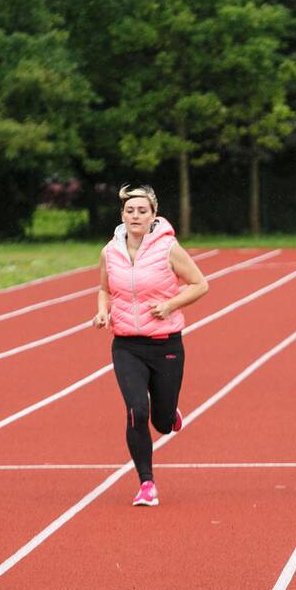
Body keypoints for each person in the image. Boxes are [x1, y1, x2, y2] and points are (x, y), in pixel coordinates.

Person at [94, 184, 209, 507]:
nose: (135, 216)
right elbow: (104, 288)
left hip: (165, 344)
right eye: (130, 210)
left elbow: (201, 284)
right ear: (122, 215)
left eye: (142, 211)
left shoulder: (168, 248)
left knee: (161, 421)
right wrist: (103, 312)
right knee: (136, 411)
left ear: (153, 215)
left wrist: (170, 305)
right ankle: (147, 483)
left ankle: (170, 414)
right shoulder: (110, 251)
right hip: (126, 344)